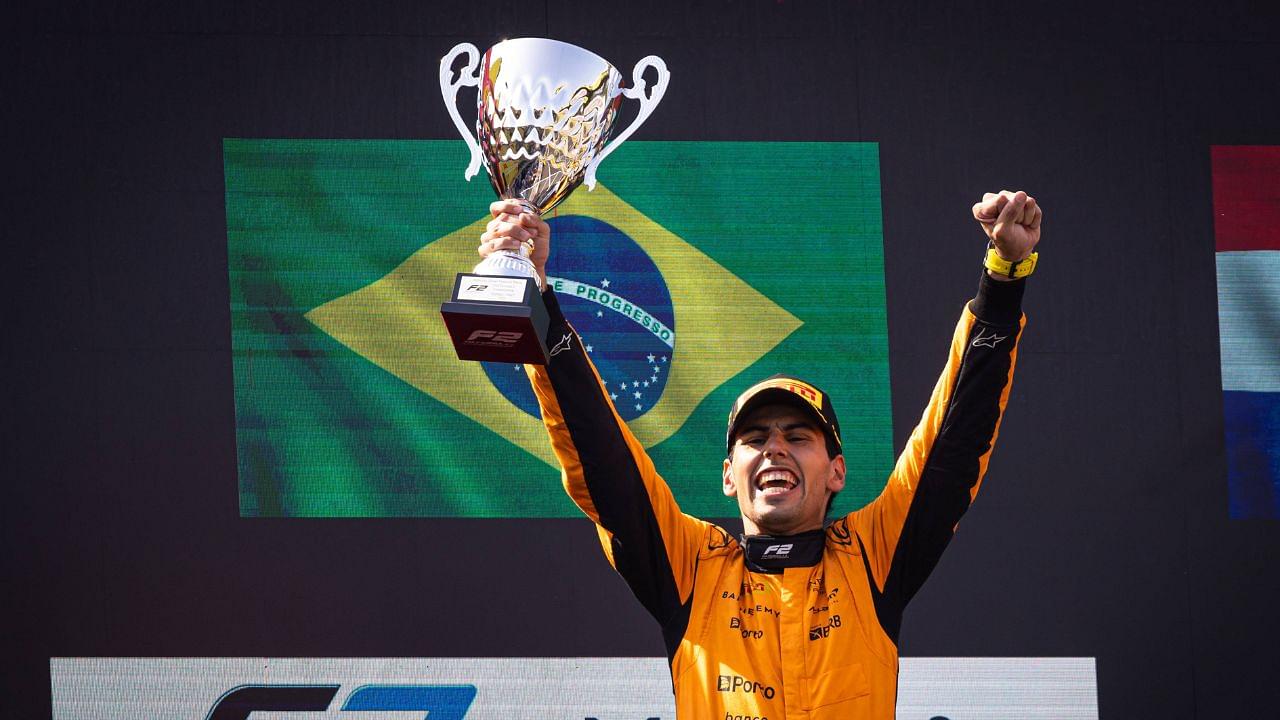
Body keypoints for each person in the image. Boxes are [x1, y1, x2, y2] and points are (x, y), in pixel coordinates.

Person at [478, 190, 1041, 720]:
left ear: (836, 471)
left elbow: (954, 444)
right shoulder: (691, 567)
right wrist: (537, 300)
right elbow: (604, 461)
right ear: (729, 476)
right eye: (754, 440)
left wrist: (1003, 280)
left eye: (798, 437)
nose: (775, 448)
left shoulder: (872, 556)